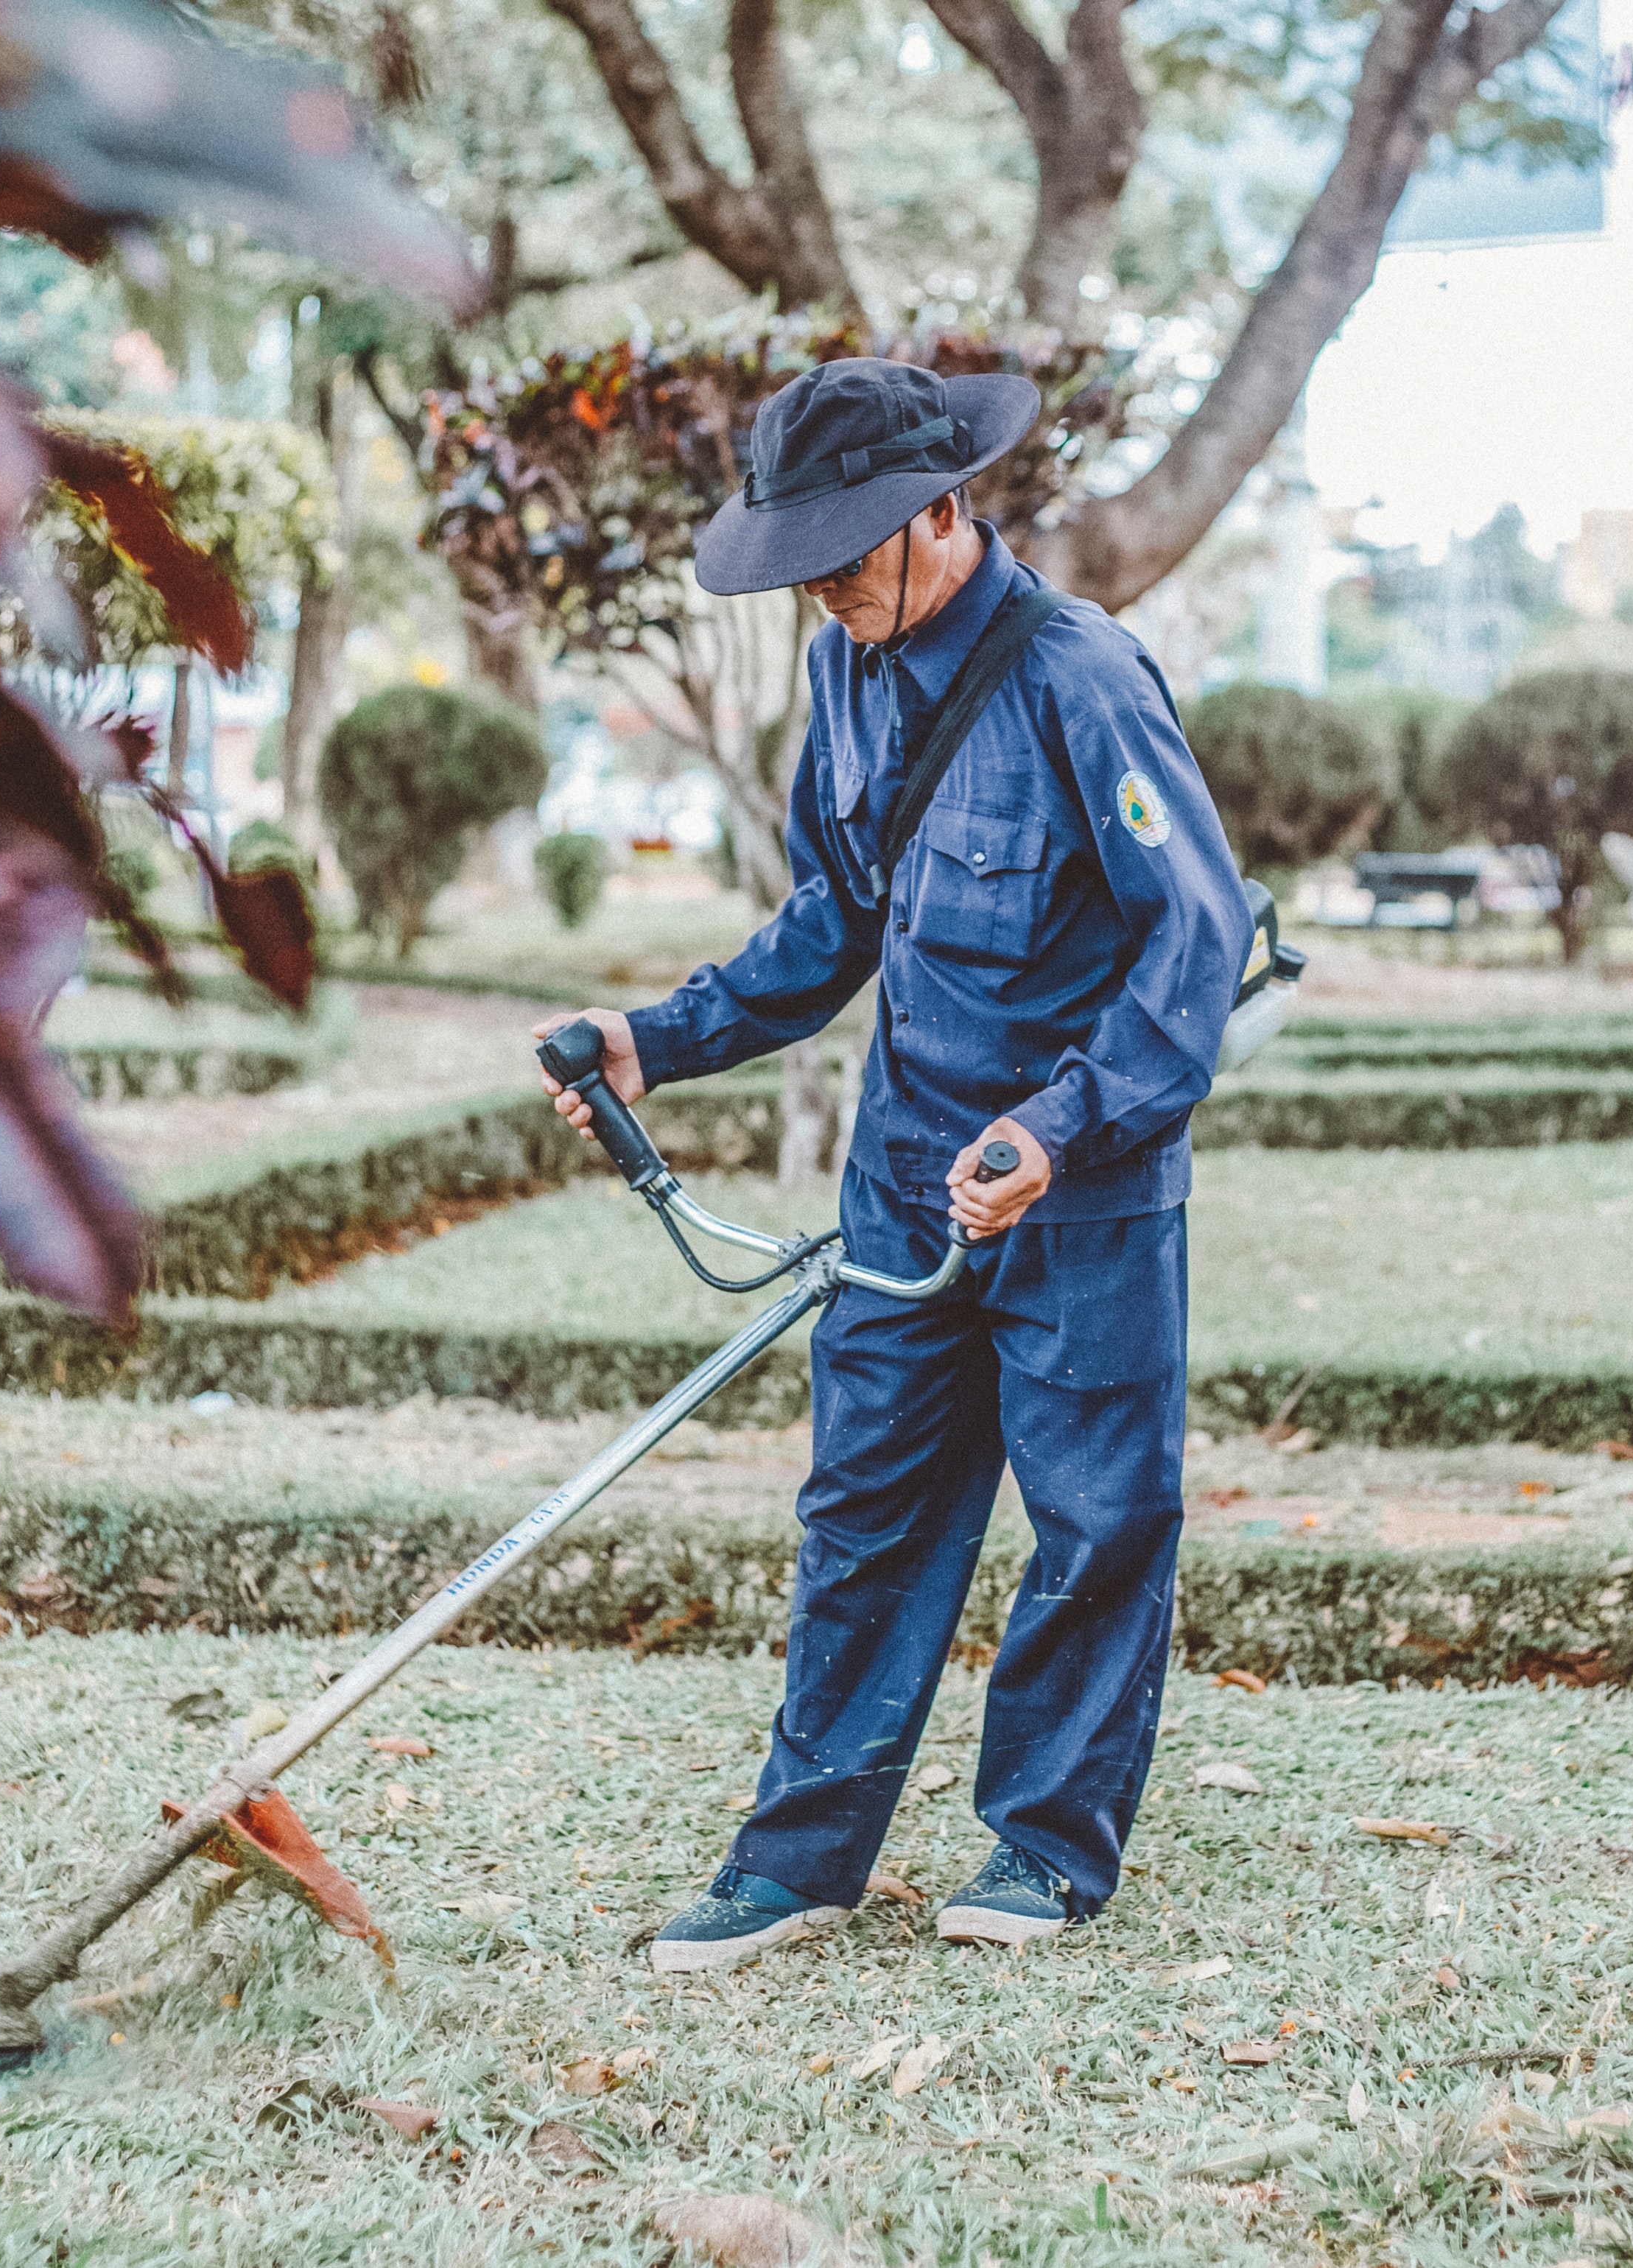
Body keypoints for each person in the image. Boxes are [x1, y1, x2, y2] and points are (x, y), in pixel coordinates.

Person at [531, 358, 1254, 1970]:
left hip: (1082, 1189)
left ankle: (1048, 1849)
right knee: (863, 1515)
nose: (831, 591)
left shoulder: (1084, 677)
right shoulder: (846, 675)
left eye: (850, 554)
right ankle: (799, 1860)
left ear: (943, 512)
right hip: (905, 1177)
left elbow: (1193, 945)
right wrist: (663, 1036)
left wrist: (1059, 1131)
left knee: (1094, 1520)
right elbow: (832, 918)